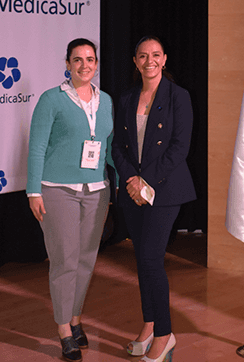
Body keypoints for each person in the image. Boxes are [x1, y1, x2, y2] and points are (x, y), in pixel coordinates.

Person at [26, 38, 114, 362]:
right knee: (65, 260)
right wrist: (33, 191)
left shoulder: (106, 101)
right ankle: (64, 329)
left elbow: (108, 146)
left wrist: (127, 179)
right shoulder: (51, 99)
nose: (84, 65)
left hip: (96, 191)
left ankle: (75, 319)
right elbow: (37, 147)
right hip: (57, 190)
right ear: (67, 64)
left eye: (90, 59)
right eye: (77, 59)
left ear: (96, 64)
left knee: (86, 259)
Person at [112, 36, 196, 362]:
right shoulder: (127, 97)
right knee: (141, 260)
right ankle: (149, 325)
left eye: (156, 55)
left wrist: (145, 180)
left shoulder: (179, 96)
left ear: (164, 59)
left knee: (151, 259)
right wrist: (131, 180)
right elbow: (118, 146)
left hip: (165, 190)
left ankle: (165, 334)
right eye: (143, 56)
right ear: (135, 61)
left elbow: (179, 147)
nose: (150, 61)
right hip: (133, 191)